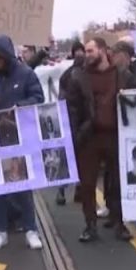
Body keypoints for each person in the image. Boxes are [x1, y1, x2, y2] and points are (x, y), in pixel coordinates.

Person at [0, 35, 45, 251]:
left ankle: (31, 229)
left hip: (20, 135)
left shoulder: (25, 73)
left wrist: (19, 106)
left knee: (23, 184)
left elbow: (38, 97)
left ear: (7, 56)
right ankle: (0, 231)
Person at [63, 37, 132, 243]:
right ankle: (90, 225)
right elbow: (72, 108)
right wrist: (74, 136)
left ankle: (119, 222)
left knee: (118, 182)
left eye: (91, 50)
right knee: (87, 184)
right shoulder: (78, 76)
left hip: (114, 135)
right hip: (89, 137)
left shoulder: (121, 75)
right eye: (86, 51)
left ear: (102, 50)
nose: (86, 54)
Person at [56, 41, 86, 206]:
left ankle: (67, 190)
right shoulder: (75, 74)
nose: (80, 54)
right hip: (76, 120)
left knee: (70, 158)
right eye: (79, 51)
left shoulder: (68, 74)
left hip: (74, 120)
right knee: (74, 157)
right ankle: (67, 190)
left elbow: (61, 98)